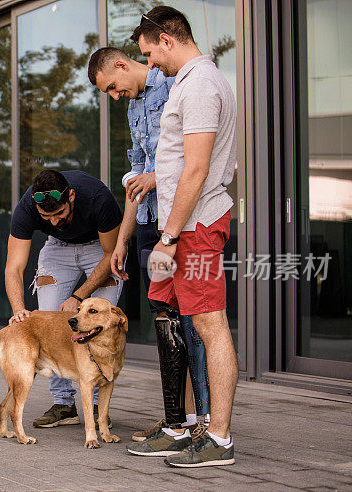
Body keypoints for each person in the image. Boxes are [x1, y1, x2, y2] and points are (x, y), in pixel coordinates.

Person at [130, 6, 238, 467]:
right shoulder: (187, 83)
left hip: (193, 229)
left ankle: (219, 438)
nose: (150, 64)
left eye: (150, 53)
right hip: (177, 228)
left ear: (167, 40)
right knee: (169, 314)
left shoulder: (200, 86)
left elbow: (196, 168)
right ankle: (184, 423)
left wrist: (169, 237)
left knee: (210, 326)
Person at [88, 47, 211, 445]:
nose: (113, 95)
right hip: (149, 226)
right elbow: (135, 182)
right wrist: (121, 240)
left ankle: (200, 419)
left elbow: (193, 158)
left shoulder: (177, 84)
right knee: (165, 316)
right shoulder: (133, 109)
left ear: (122, 65)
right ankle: (177, 417)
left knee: (191, 319)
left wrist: (158, 177)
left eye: (111, 86)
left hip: (181, 221)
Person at [4, 169, 122, 429]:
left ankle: (93, 406)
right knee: (47, 321)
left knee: (99, 322)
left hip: (99, 250)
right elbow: (13, 267)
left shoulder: (98, 198)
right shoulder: (27, 207)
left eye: (60, 213)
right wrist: (19, 310)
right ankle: (63, 403)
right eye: (47, 217)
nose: (54, 221)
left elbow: (111, 253)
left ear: (71, 196)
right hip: (57, 249)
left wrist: (79, 298)